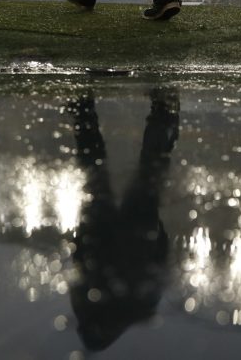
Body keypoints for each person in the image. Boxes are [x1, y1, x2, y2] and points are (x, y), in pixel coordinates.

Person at [66, 88, 180, 350]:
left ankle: (164, 109)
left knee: (149, 170)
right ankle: (83, 106)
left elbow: (159, 264)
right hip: (103, 238)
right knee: (94, 166)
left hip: (135, 240)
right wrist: (81, 235)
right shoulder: (88, 307)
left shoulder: (137, 308)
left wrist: (159, 235)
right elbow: (79, 263)